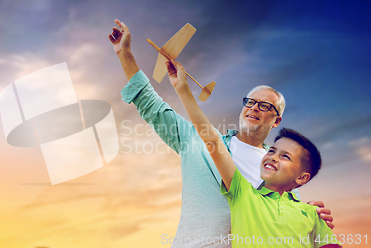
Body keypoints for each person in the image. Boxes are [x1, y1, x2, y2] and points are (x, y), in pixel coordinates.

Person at [109, 19, 334, 247]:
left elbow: (289, 222)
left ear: (277, 121)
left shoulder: (278, 170)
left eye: (265, 106)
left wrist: (313, 214)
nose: (254, 108)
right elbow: (152, 105)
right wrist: (124, 53)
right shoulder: (196, 140)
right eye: (250, 102)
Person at [167, 59, 341, 247]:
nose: (273, 157)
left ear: (302, 178)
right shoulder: (243, 195)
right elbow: (212, 140)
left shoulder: (311, 214)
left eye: (285, 156)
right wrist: (183, 88)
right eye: (272, 151)